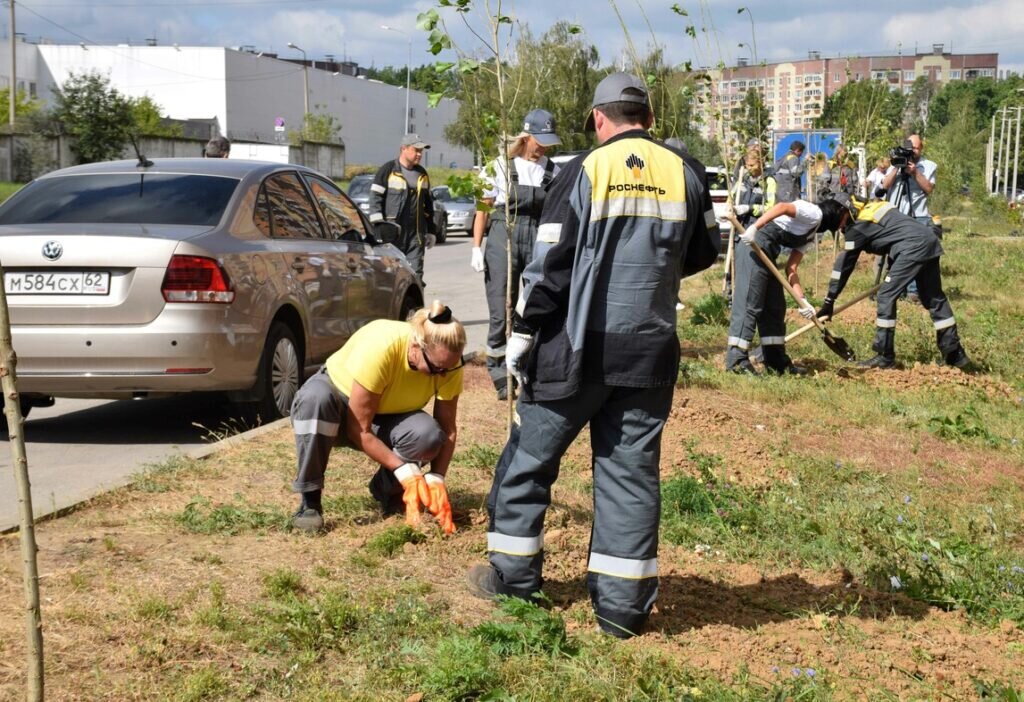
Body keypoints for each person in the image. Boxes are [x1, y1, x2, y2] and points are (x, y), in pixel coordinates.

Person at [466, 72, 719, 639]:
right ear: (649, 119)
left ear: (599, 120)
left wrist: (523, 332)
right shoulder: (687, 172)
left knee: (528, 460)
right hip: (650, 353)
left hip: (574, 352)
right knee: (630, 474)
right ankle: (622, 612)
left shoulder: (584, 170)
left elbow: (550, 266)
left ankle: (513, 580)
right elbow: (704, 250)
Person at [289, 300, 466, 534]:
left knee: (429, 435)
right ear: (416, 346)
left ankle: (388, 491)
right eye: (436, 369)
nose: (442, 375)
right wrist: (406, 472)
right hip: (341, 408)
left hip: (388, 414)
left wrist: (436, 478)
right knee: (315, 401)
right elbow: (358, 430)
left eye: (448, 369)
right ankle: (310, 501)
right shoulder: (383, 348)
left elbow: (448, 429)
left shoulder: (448, 364)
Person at [470, 108, 562, 401]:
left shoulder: (554, 171)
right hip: (502, 238)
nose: (544, 147)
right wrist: (476, 246)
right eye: (540, 140)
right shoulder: (497, 167)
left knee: (533, 307)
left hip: (537, 241)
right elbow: (483, 209)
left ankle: (526, 367)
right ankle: (500, 374)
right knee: (502, 310)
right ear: (526, 136)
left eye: (548, 141)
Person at [817, 197, 970, 370]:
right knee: (934, 298)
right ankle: (955, 353)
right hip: (928, 240)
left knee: (885, 296)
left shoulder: (857, 228)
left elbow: (843, 267)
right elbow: (895, 234)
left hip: (912, 248)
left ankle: (885, 356)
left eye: (838, 226)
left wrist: (829, 301)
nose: (841, 229)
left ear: (842, 216)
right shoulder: (874, 207)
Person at [724, 197, 850, 375]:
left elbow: (791, 269)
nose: (844, 224)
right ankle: (736, 362)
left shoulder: (810, 234)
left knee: (774, 307)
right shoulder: (813, 213)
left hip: (767, 254)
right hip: (752, 246)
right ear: (836, 212)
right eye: (845, 218)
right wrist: (754, 227)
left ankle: (776, 363)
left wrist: (803, 301)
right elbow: (782, 207)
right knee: (749, 304)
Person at [369, 134, 438, 287]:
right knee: (390, 277)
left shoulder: (422, 174)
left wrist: (431, 230)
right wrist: (379, 227)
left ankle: (414, 310)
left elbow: (427, 205)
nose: (419, 154)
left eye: (421, 151)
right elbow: (375, 199)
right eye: (416, 150)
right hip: (392, 236)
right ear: (404, 149)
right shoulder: (387, 170)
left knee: (415, 277)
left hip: (416, 237)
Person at [882, 134, 937, 301]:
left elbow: (928, 188)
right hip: (896, 214)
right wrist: (896, 167)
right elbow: (884, 185)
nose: (912, 150)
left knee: (915, 255)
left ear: (921, 149)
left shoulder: (928, 166)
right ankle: (897, 289)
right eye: (910, 147)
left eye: (916, 148)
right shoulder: (896, 162)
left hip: (918, 215)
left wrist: (914, 173)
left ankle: (914, 292)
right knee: (895, 253)